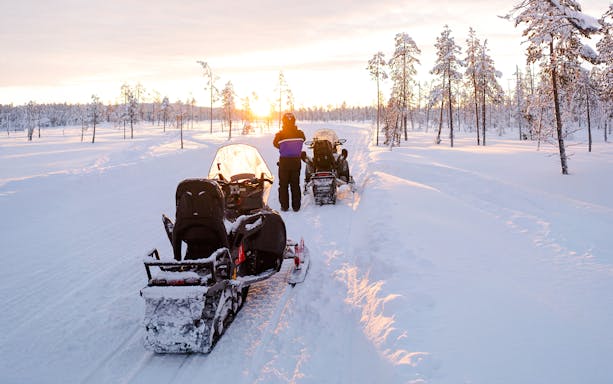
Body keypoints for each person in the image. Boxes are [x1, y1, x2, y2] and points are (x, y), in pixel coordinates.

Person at [273, 112, 305, 212]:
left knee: (283, 185)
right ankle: (296, 207)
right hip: (296, 162)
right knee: (295, 184)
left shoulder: (279, 135)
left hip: (284, 162)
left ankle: (284, 206)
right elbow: (303, 140)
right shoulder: (300, 133)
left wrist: (285, 147)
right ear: (294, 121)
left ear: (283, 122)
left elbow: (275, 144)